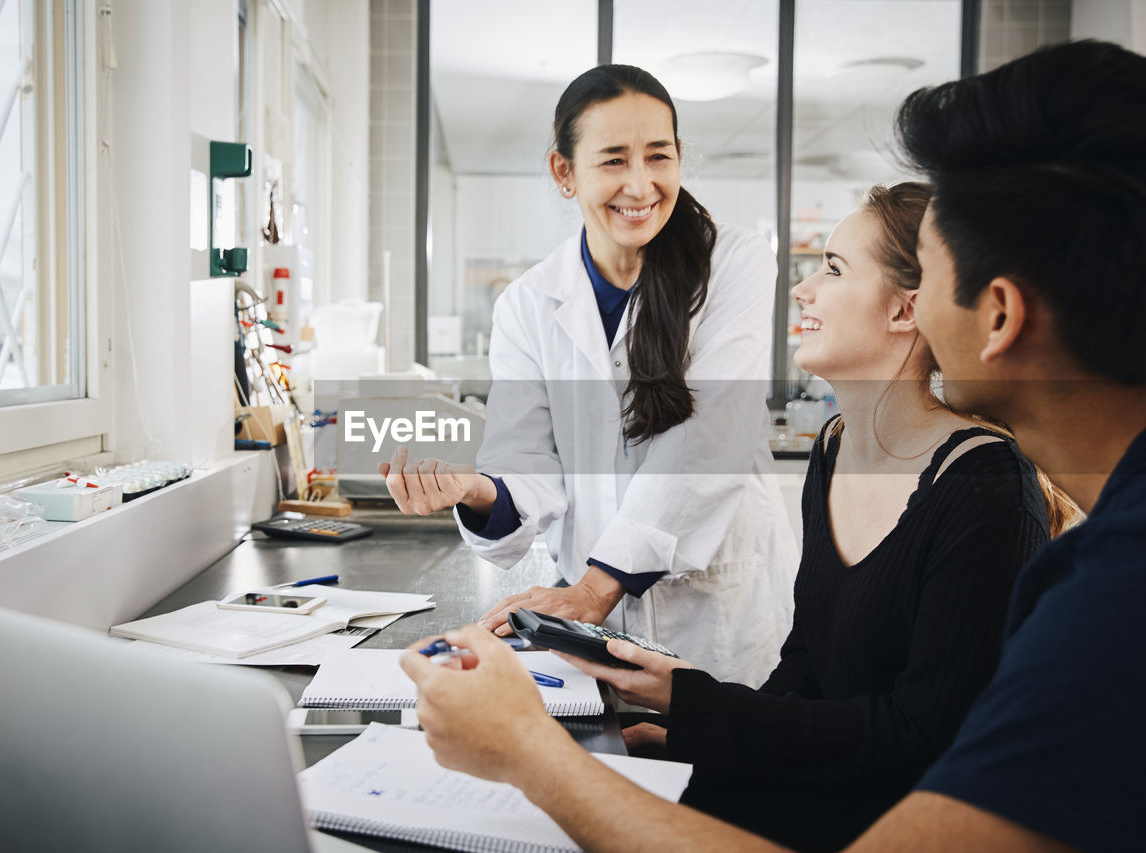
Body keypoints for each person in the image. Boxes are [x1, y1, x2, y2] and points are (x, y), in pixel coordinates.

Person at [399, 40, 1146, 852]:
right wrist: (695, 712)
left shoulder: (1077, 569)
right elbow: (823, 690)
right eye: (613, 157)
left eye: (927, 281)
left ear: (993, 314)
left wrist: (529, 752)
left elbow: (904, 749)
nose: (806, 288)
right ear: (564, 172)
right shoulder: (849, 453)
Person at [556, 181, 1076, 852]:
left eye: (832, 269)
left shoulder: (984, 486)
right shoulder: (834, 447)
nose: (802, 290)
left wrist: (696, 707)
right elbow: (808, 668)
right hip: (825, 792)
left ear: (905, 310)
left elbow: (919, 741)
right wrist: (695, 743)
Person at [380, 64, 797, 682]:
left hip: (717, 618)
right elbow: (528, 466)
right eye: (613, 160)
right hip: (598, 629)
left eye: (659, 156)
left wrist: (595, 590)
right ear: (564, 172)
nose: (641, 184)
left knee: (719, 767)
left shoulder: (733, 264)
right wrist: (474, 491)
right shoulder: (528, 303)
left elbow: (708, 440)